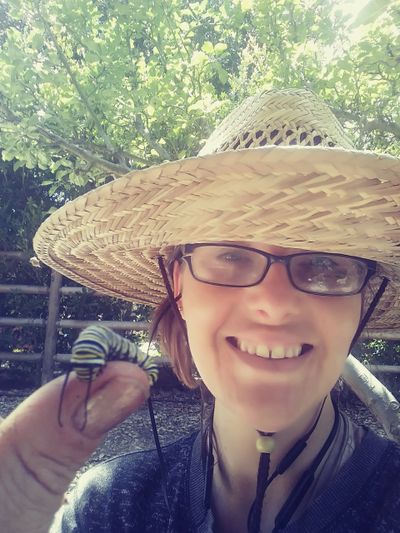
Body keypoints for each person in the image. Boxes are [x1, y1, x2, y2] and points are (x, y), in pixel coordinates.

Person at [1, 88, 400, 533]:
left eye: (326, 264)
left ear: (364, 299)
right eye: (230, 255)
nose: (273, 303)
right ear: (178, 286)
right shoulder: (109, 509)